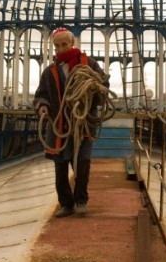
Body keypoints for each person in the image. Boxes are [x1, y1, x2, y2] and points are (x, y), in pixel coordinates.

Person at [33, 27, 109, 217]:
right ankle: (66, 204)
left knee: (82, 163)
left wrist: (92, 92)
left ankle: (81, 200)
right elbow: (40, 95)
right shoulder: (49, 72)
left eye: (64, 44)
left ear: (72, 43)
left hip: (83, 123)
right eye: (57, 46)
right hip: (58, 125)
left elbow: (103, 85)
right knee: (60, 165)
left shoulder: (89, 64)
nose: (61, 49)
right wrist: (42, 106)